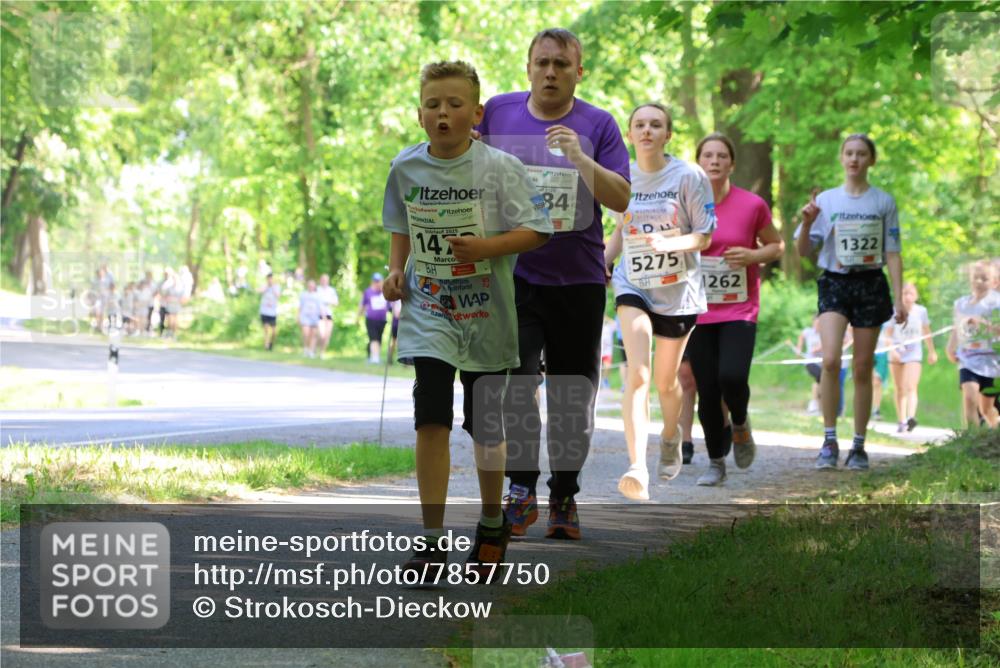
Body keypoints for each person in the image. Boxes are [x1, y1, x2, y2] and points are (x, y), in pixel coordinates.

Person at [381, 60, 551, 579]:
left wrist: (486, 247)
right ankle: (432, 542)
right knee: (430, 418)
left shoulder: (500, 167)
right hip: (429, 311)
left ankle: (492, 522)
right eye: (433, 105)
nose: (443, 113)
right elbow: (400, 226)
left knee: (483, 426)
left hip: (486, 314)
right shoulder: (405, 168)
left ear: (476, 112)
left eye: (455, 104)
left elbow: (538, 230)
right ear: (419, 114)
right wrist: (394, 271)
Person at [480, 28, 631, 535]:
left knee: (573, 395)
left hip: (578, 279)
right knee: (517, 386)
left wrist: (581, 159)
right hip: (516, 275)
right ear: (528, 67)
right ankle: (521, 489)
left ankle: (564, 494)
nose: (551, 72)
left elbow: (622, 198)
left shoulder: (599, 124)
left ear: (577, 72)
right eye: (542, 62)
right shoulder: (498, 112)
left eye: (561, 65)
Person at [604, 103, 715, 499]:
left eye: (656, 125)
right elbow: (621, 230)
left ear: (668, 134)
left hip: (678, 291)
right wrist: (602, 262)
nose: (647, 130)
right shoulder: (621, 177)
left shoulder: (689, 175)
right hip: (633, 283)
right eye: (639, 124)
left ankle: (671, 435)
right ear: (630, 134)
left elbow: (704, 236)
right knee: (639, 374)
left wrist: (671, 242)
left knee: (667, 384)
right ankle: (637, 466)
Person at [796, 133, 906, 470]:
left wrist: (899, 298)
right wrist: (806, 222)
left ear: (871, 160)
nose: (855, 159)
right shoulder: (826, 201)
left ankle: (858, 445)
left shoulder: (883, 202)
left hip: (870, 282)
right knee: (830, 360)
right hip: (834, 283)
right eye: (849, 153)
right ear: (842, 158)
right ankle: (829, 440)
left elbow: (893, 252)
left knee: (862, 366)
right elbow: (802, 251)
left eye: (861, 154)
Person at [686, 132, 783, 485]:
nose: (714, 161)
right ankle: (715, 462)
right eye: (707, 155)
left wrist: (753, 255)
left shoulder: (752, 205)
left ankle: (740, 422)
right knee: (707, 391)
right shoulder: (685, 204)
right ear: (698, 162)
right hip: (697, 310)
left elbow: (776, 245)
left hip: (739, 309)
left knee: (732, 377)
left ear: (732, 164)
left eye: (721, 156)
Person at [945, 260, 999, 428]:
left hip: (992, 362)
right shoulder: (961, 303)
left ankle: (994, 432)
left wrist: (982, 323)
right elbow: (957, 327)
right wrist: (950, 347)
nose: (979, 282)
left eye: (984, 278)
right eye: (976, 278)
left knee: (987, 409)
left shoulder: (996, 303)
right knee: (969, 397)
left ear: (994, 282)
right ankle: (971, 439)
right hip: (967, 358)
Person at [884, 283, 938, 431]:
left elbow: (927, 332)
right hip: (896, 351)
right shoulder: (894, 311)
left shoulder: (921, 311)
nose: (907, 297)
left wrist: (932, 351)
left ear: (916, 296)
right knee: (899, 387)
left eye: (910, 293)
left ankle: (910, 417)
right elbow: (887, 335)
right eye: (904, 293)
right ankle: (901, 420)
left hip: (914, 353)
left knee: (911, 386)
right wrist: (892, 350)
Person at [795, 314, 824, 414]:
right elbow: (801, 337)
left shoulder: (824, 334)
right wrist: (799, 349)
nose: (818, 325)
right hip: (810, 362)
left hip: (822, 363)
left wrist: (820, 347)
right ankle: (814, 404)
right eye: (816, 322)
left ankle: (817, 405)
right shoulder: (808, 332)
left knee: (820, 382)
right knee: (820, 378)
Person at [359, 273, 388, 364]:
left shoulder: (385, 292)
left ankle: (376, 356)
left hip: (382, 320)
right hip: (371, 319)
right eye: (376, 281)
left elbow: (390, 305)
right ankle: (374, 358)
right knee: (373, 338)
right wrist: (358, 316)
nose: (377, 283)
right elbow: (362, 305)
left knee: (379, 338)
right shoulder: (368, 292)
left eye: (379, 281)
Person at [316, 273, 339, 358]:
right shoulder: (317, 290)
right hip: (319, 315)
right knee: (321, 334)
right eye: (323, 280)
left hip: (329, 314)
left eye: (326, 280)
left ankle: (322, 352)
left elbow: (336, 302)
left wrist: (327, 301)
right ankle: (316, 348)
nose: (324, 281)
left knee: (327, 335)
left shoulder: (331, 290)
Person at [298, 279, 322, 358]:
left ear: (314, 286)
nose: (311, 287)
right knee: (306, 334)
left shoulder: (318, 295)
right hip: (305, 316)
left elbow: (321, 308)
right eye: (309, 285)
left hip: (315, 317)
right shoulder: (303, 295)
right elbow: (300, 306)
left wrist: (323, 317)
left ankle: (311, 351)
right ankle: (306, 348)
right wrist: (298, 316)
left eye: (312, 285)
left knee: (313, 334)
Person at [258, 273, 281, 351]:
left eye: (271, 279)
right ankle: (266, 346)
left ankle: (271, 343)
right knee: (266, 329)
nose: (270, 280)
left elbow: (278, 296)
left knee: (274, 331)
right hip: (264, 311)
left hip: (272, 312)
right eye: (269, 279)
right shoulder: (264, 286)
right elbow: (260, 292)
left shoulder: (276, 287)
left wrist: (272, 287)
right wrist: (267, 286)